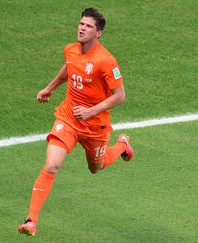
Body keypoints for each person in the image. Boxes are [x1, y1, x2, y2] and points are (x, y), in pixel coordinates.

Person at [18, 7, 134, 236]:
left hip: (95, 126)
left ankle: (122, 145)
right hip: (69, 118)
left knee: (95, 167)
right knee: (51, 165)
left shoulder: (106, 61)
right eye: (81, 24)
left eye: (88, 26)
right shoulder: (71, 50)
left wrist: (91, 111)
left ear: (98, 33)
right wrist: (50, 88)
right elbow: (69, 69)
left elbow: (120, 96)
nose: (82, 28)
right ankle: (31, 220)